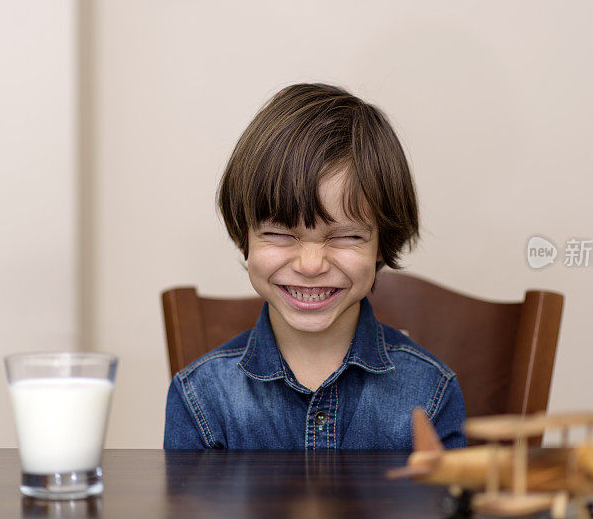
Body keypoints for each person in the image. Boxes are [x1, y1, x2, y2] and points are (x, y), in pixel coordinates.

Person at [164, 83, 466, 449]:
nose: (310, 265)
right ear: (244, 235)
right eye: (279, 233)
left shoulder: (432, 391)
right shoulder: (199, 397)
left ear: (380, 245)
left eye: (346, 237)